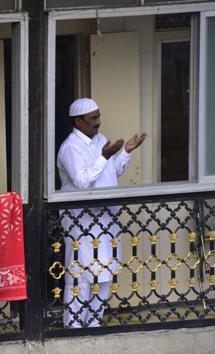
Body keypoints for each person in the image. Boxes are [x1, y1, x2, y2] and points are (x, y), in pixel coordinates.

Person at [57, 98, 146, 328]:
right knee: (81, 275)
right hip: (82, 221)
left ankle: (93, 324)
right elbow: (82, 182)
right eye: (93, 118)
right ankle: (74, 327)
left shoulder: (100, 140)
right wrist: (105, 156)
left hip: (106, 219)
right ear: (78, 121)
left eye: (98, 116)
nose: (98, 122)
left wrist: (125, 152)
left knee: (104, 273)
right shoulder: (70, 147)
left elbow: (111, 173)